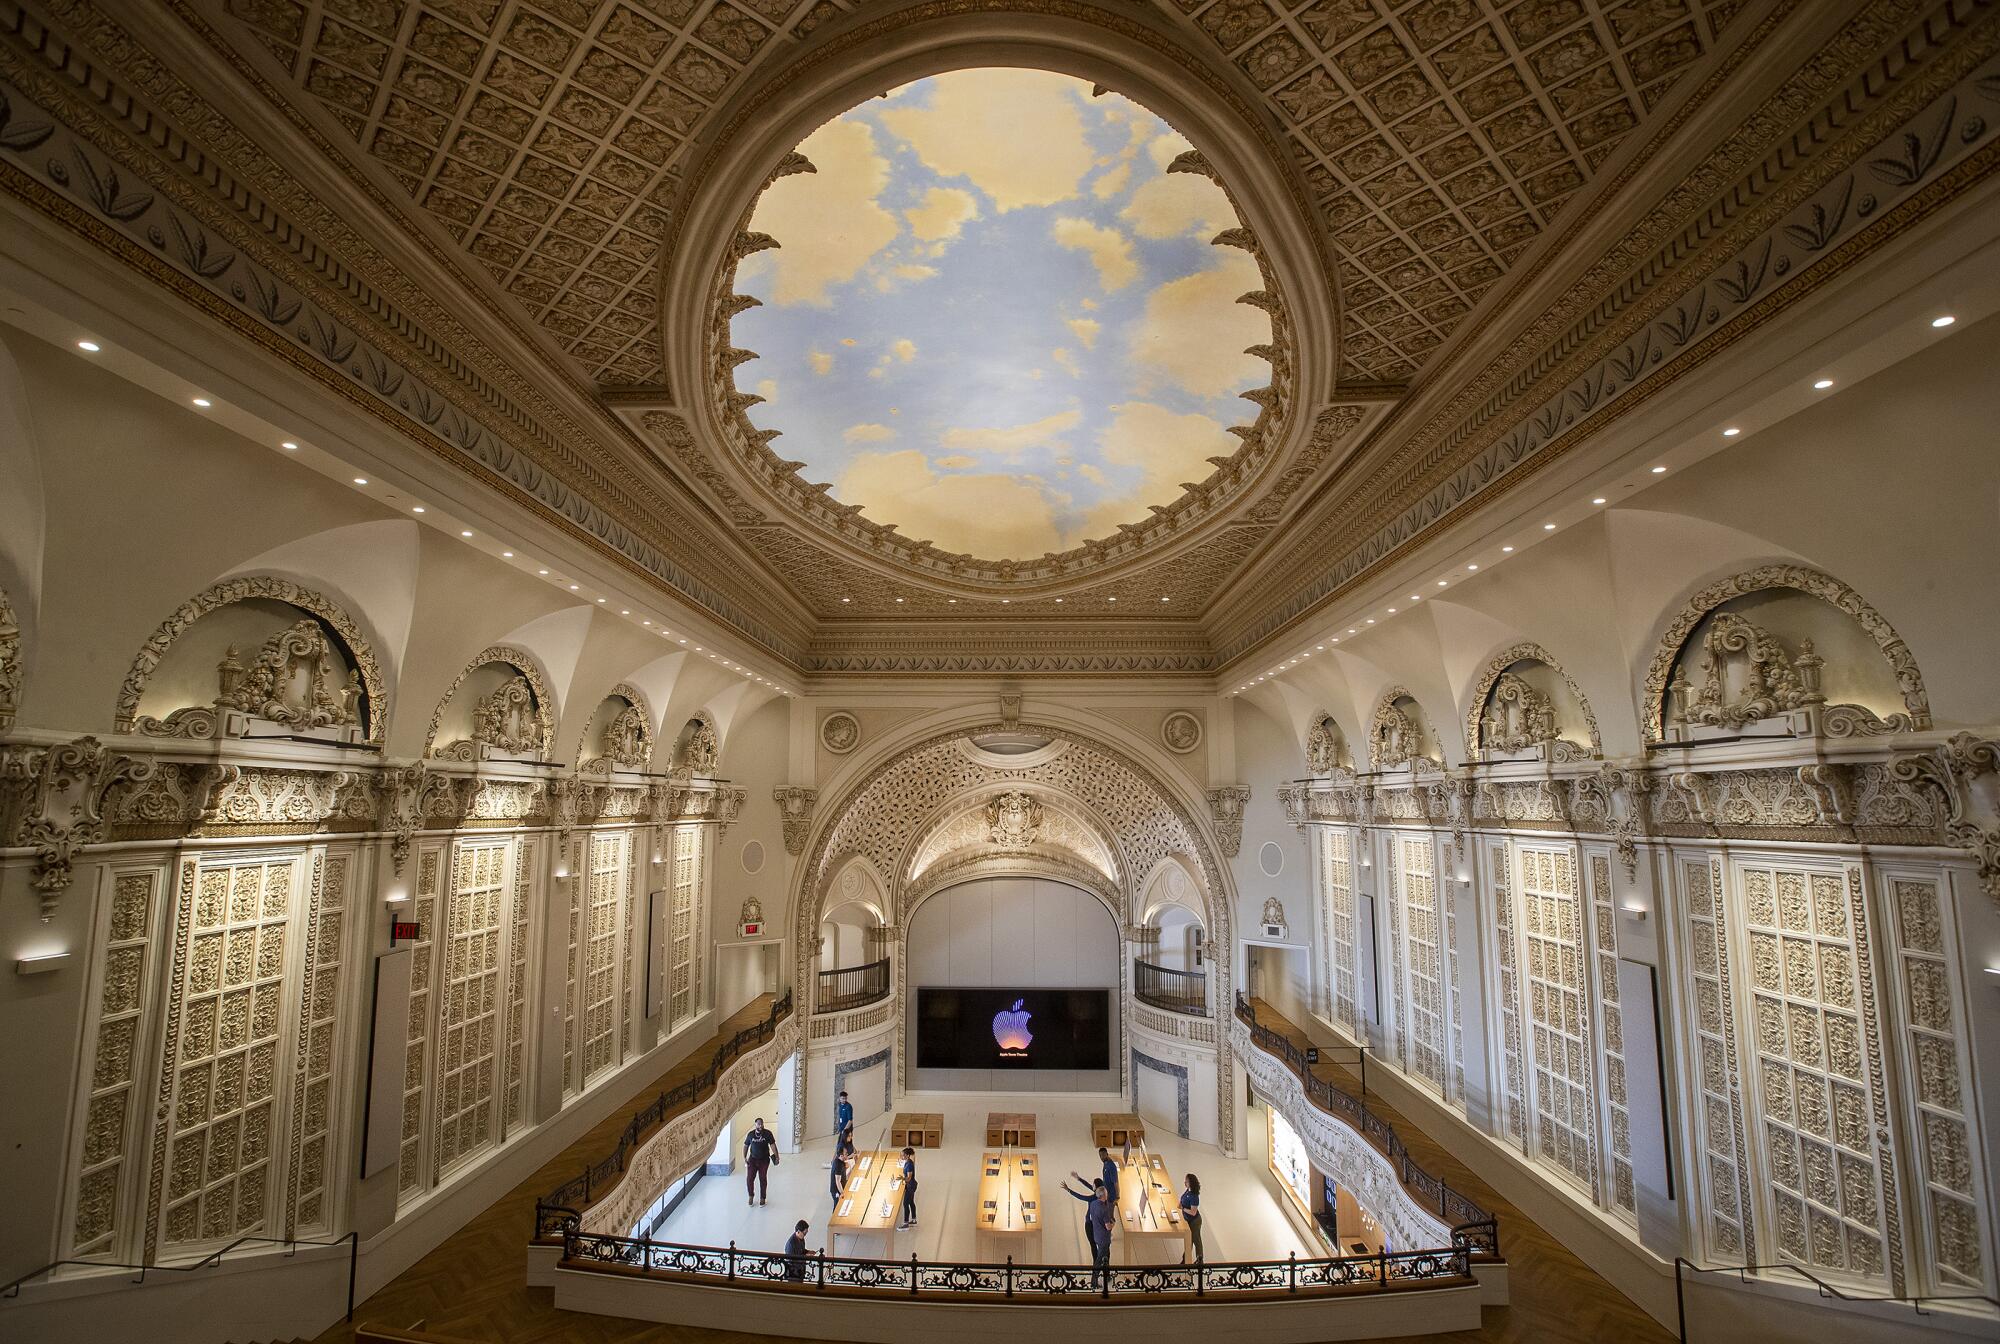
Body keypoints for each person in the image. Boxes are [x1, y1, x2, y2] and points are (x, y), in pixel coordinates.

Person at [1061, 1176, 1114, 1287]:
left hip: (1095, 1229)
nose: (1092, 1185)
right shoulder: (1100, 1201)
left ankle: (1102, 1272)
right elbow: (1108, 1225)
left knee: (1101, 1254)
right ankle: (1096, 1276)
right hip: (1097, 1231)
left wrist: (1071, 1186)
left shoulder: (1094, 1200)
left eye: (1094, 1184)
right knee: (1099, 1255)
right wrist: (1078, 1180)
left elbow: (1083, 1194)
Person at [744, 1116, 779, 1206]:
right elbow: (746, 1145)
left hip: (764, 1160)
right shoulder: (751, 1134)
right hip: (753, 1159)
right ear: (755, 1124)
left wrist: (777, 1156)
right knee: (749, 1178)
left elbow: (773, 1145)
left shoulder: (767, 1134)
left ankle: (762, 1198)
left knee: (762, 1178)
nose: (760, 1125)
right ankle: (751, 1195)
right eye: (758, 1124)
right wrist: (745, 1158)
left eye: (762, 1123)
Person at [1179, 1172, 1203, 1264]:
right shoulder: (1188, 1190)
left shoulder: (1194, 1196)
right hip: (1188, 1220)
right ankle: (1186, 1259)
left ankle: (1198, 1259)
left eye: (1187, 1181)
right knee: (1192, 1240)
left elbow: (1193, 1212)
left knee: (1195, 1240)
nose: (1185, 1183)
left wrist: (1183, 1208)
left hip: (1194, 1222)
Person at [896, 1145, 918, 1229]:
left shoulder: (909, 1164)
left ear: (908, 1155)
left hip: (910, 1186)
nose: (902, 1156)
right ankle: (914, 1219)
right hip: (911, 1185)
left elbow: (909, 1178)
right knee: (911, 1202)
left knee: (906, 1203)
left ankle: (905, 1223)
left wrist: (902, 1178)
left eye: (903, 1155)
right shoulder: (908, 1162)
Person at [830, 1134, 855, 1204]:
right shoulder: (838, 1165)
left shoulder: (841, 1161)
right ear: (841, 1155)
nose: (847, 1155)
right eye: (846, 1154)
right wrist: (843, 1193)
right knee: (837, 1206)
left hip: (841, 1186)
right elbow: (838, 1181)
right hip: (836, 1191)